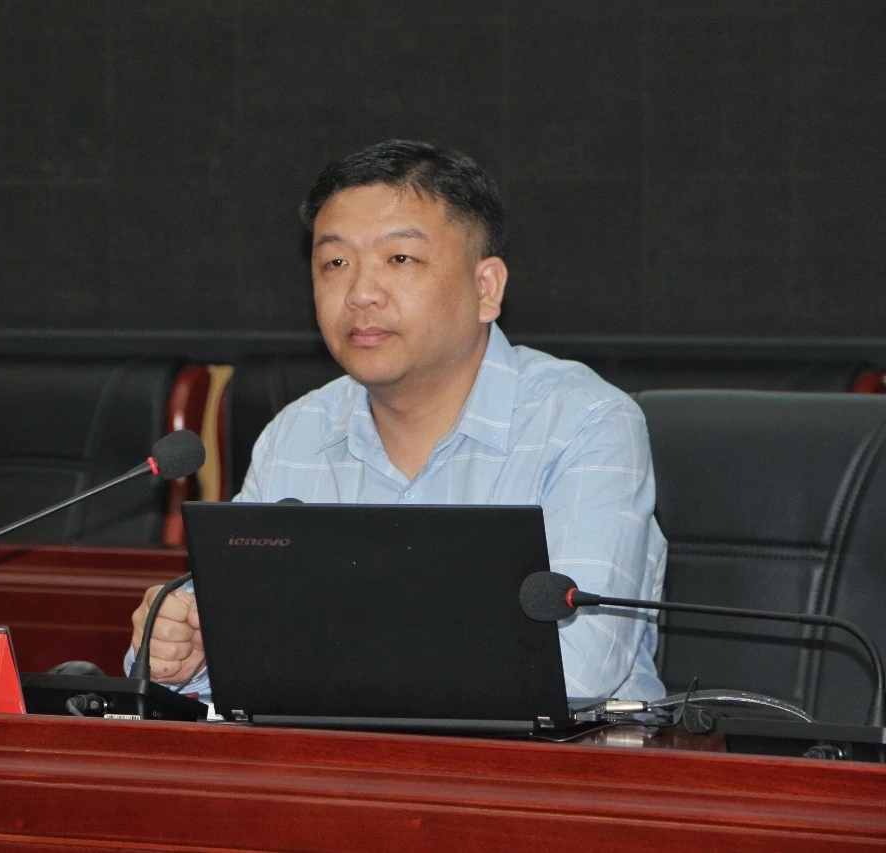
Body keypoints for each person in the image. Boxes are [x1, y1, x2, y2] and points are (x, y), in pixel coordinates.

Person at [128, 139, 667, 702]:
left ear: (486, 289)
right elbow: (226, 641)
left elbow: (575, 671)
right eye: (335, 263)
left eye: (400, 259)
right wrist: (182, 654)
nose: (360, 293)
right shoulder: (297, 436)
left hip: (550, 759)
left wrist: (306, 650)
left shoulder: (585, 425)